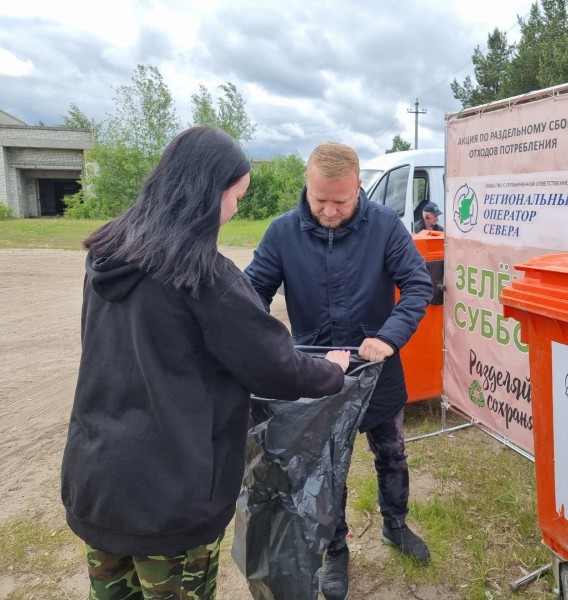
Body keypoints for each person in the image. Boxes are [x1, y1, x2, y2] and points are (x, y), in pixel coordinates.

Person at [60, 125, 351, 600]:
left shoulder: (108, 257)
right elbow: (277, 367)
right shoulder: (204, 278)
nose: (235, 209)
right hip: (169, 499)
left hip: (97, 485)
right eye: (236, 195)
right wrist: (334, 369)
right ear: (207, 193)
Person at [245, 141, 434, 600]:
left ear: (359, 189)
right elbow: (251, 294)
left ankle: (395, 525)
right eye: (320, 200)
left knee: (391, 454)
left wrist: (388, 336)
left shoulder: (386, 228)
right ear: (306, 187)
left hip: (379, 373)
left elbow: (417, 284)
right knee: (326, 471)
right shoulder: (282, 233)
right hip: (315, 378)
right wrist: (269, 350)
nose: (330, 211)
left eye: (341, 202)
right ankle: (336, 550)